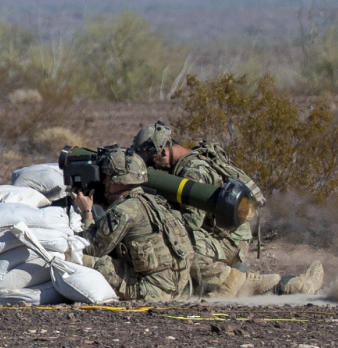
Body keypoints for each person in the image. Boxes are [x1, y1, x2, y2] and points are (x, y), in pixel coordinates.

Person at [131, 122, 323, 298]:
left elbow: (190, 222)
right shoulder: (192, 160)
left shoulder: (193, 172)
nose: (155, 169)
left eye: (152, 163)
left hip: (229, 239)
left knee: (178, 241)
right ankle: (293, 285)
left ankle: (228, 280)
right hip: (224, 233)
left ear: (164, 151)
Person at [71, 145, 194, 302]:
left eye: (108, 177)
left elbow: (93, 249)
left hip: (152, 290)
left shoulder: (124, 211)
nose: (104, 182)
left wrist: (87, 212)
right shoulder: (154, 201)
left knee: (78, 258)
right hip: (177, 285)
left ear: (119, 182)